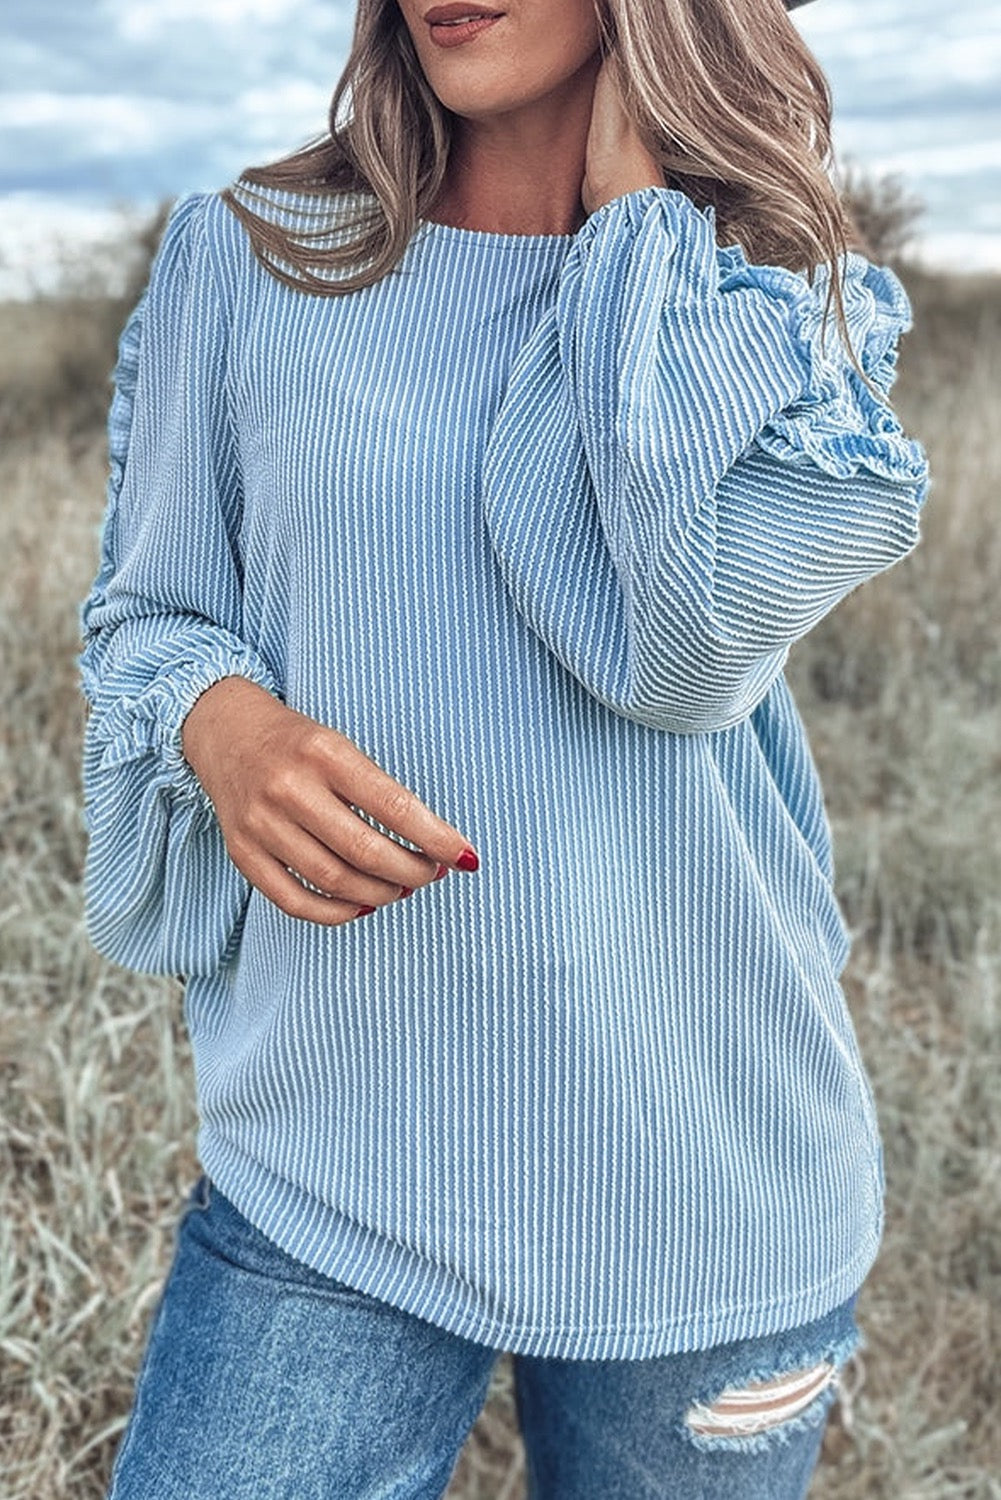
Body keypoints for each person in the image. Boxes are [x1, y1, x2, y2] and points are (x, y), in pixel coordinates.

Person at [79, 0, 931, 1495]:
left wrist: (629, 236)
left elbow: (671, 651)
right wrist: (223, 722)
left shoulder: (767, 300)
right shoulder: (252, 253)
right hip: (331, 1160)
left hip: (704, 1168)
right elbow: (148, 609)